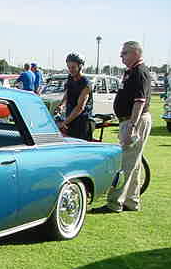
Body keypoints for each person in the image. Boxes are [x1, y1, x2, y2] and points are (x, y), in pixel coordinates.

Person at [95, 41, 152, 214]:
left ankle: (114, 203)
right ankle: (131, 201)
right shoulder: (132, 72)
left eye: (124, 53)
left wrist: (132, 127)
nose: (121, 57)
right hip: (129, 120)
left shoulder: (140, 73)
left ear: (135, 52)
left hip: (134, 121)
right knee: (133, 164)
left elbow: (139, 102)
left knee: (125, 162)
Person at [54, 52, 94, 140]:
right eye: (69, 67)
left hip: (81, 122)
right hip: (70, 118)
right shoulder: (70, 78)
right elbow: (68, 93)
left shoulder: (86, 84)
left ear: (80, 67)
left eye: (73, 67)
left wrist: (64, 122)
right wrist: (61, 105)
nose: (70, 70)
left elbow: (80, 107)